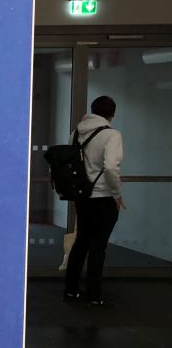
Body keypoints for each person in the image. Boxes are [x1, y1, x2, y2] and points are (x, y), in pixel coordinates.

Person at [63, 94, 126, 306]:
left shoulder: (75, 133)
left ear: (93, 110)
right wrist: (116, 194)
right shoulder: (112, 135)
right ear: (112, 114)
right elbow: (111, 167)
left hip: (82, 197)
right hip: (103, 197)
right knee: (98, 246)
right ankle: (94, 295)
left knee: (81, 242)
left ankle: (71, 289)